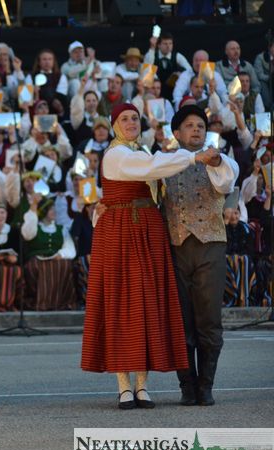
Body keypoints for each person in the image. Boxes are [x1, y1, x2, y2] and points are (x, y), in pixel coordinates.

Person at [81, 103, 221, 410]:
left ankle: (142, 386)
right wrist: (194, 157)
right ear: (115, 125)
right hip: (122, 230)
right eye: (124, 119)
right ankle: (123, 386)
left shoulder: (140, 151)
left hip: (146, 229)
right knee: (121, 304)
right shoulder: (117, 154)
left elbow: (154, 171)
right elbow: (150, 168)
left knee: (146, 305)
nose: (131, 122)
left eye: (135, 118)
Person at [163, 105, 239, 406]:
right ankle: (187, 387)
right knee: (180, 321)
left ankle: (206, 386)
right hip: (176, 247)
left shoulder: (219, 160)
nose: (196, 129)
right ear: (176, 132)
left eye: (200, 126)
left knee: (208, 319)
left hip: (210, 246)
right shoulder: (165, 162)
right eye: (189, 125)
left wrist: (215, 159)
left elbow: (227, 181)